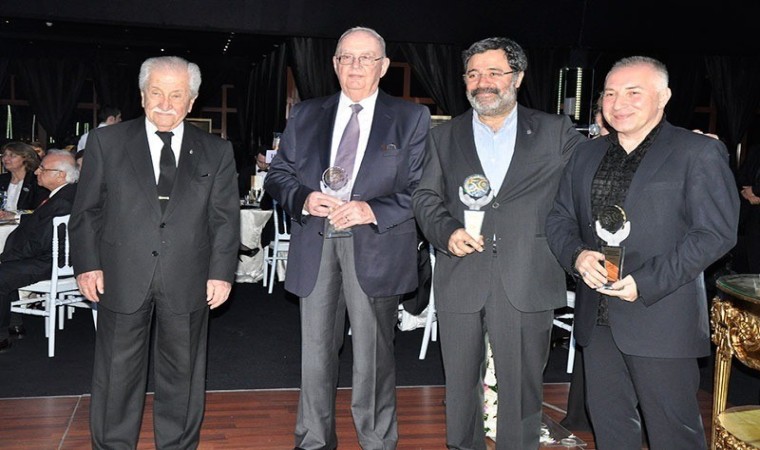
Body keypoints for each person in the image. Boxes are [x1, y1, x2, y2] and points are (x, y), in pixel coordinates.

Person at [545, 56, 739, 449]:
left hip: (661, 316)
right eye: (610, 94)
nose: (618, 103)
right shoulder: (584, 154)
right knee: (611, 429)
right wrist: (577, 256)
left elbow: (714, 234)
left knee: (674, 434)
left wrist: (645, 282)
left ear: (663, 97)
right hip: (597, 317)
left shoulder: (698, 152)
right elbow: (559, 219)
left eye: (634, 93)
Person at [412, 36, 586, 449]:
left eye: (494, 72)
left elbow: (590, 178)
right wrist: (446, 231)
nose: (482, 82)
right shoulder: (443, 136)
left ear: (517, 77)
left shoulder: (555, 131)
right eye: (473, 74)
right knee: (460, 387)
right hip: (461, 274)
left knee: (522, 389)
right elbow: (425, 197)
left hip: (527, 274)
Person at [264, 26, 430, 449]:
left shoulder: (410, 118)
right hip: (316, 242)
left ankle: (376, 441)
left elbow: (423, 189)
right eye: (346, 57)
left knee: (373, 358)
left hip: (376, 244)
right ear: (335, 64)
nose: (355, 66)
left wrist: (372, 209)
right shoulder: (306, 114)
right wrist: (303, 198)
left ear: (383, 66)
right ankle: (314, 440)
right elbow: (278, 176)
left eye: (365, 58)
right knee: (315, 354)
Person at [69, 56, 240, 449]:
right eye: (156, 93)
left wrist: (221, 272)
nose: (165, 103)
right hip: (120, 273)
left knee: (183, 374)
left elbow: (225, 219)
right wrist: (88, 265)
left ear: (191, 101)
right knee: (116, 373)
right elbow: (87, 211)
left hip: (189, 275)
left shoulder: (216, 150)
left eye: (176, 95)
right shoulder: (106, 142)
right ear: (143, 95)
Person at [0, 149, 78, 352]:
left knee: (3, 272)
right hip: (55, 257)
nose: (36, 172)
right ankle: (15, 324)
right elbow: (43, 221)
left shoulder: (62, 201)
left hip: (50, 261)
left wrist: (9, 256)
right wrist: (17, 218)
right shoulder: (68, 194)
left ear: (60, 175)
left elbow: (40, 242)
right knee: (8, 267)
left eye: (43, 169)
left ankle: (2, 337)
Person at [0, 142, 49, 220]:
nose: (6, 158)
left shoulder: (37, 181)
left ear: (26, 158)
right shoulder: (2, 180)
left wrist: (15, 215)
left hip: (27, 224)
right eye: (4, 155)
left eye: (12, 155)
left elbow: (41, 211)